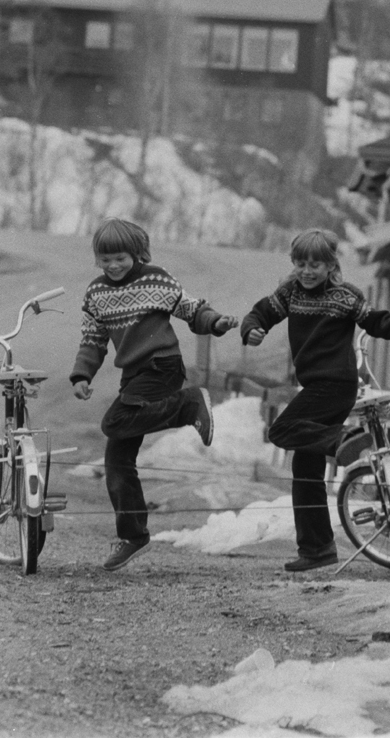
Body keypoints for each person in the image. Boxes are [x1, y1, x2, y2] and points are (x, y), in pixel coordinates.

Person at [240, 228, 390, 573]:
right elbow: (261, 314)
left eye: (316, 264)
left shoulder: (345, 296)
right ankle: (317, 549)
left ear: (331, 266)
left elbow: (378, 322)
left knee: (281, 430)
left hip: (336, 385)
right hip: (314, 387)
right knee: (305, 467)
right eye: (300, 263)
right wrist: (251, 329)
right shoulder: (290, 293)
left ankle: (344, 439)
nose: (307, 271)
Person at [70, 218, 238, 571]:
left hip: (162, 367)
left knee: (114, 421)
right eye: (105, 259)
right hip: (134, 377)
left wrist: (217, 322)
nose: (113, 266)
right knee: (117, 459)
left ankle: (188, 404)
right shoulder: (95, 294)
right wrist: (82, 375)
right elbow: (92, 340)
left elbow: (191, 309)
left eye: (121, 258)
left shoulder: (156, 278)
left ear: (137, 253)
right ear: (97, 259)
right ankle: (133, 535)